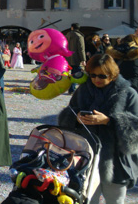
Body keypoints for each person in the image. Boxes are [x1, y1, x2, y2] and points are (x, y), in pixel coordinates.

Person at [58, 54, 138, 204]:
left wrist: (109, 121)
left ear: (113, 74)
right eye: (93, 75)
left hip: (116, 160)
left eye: (102, 75)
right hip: (85, 158)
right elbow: (65, 119)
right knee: (86, 200)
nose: (96, 79)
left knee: (115, 201)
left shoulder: (128, 94)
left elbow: (135, 131)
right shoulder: (83, 90)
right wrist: (75, 118)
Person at [67, 23, 86, 94]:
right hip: (76, 58)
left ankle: (70, 88)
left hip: (68, 57)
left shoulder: (68, 35)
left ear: (72, 27)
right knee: (76, 74)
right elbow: (81, 49)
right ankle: (72, 89)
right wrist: (83, 59)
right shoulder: (79, 36)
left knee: (70, 73)